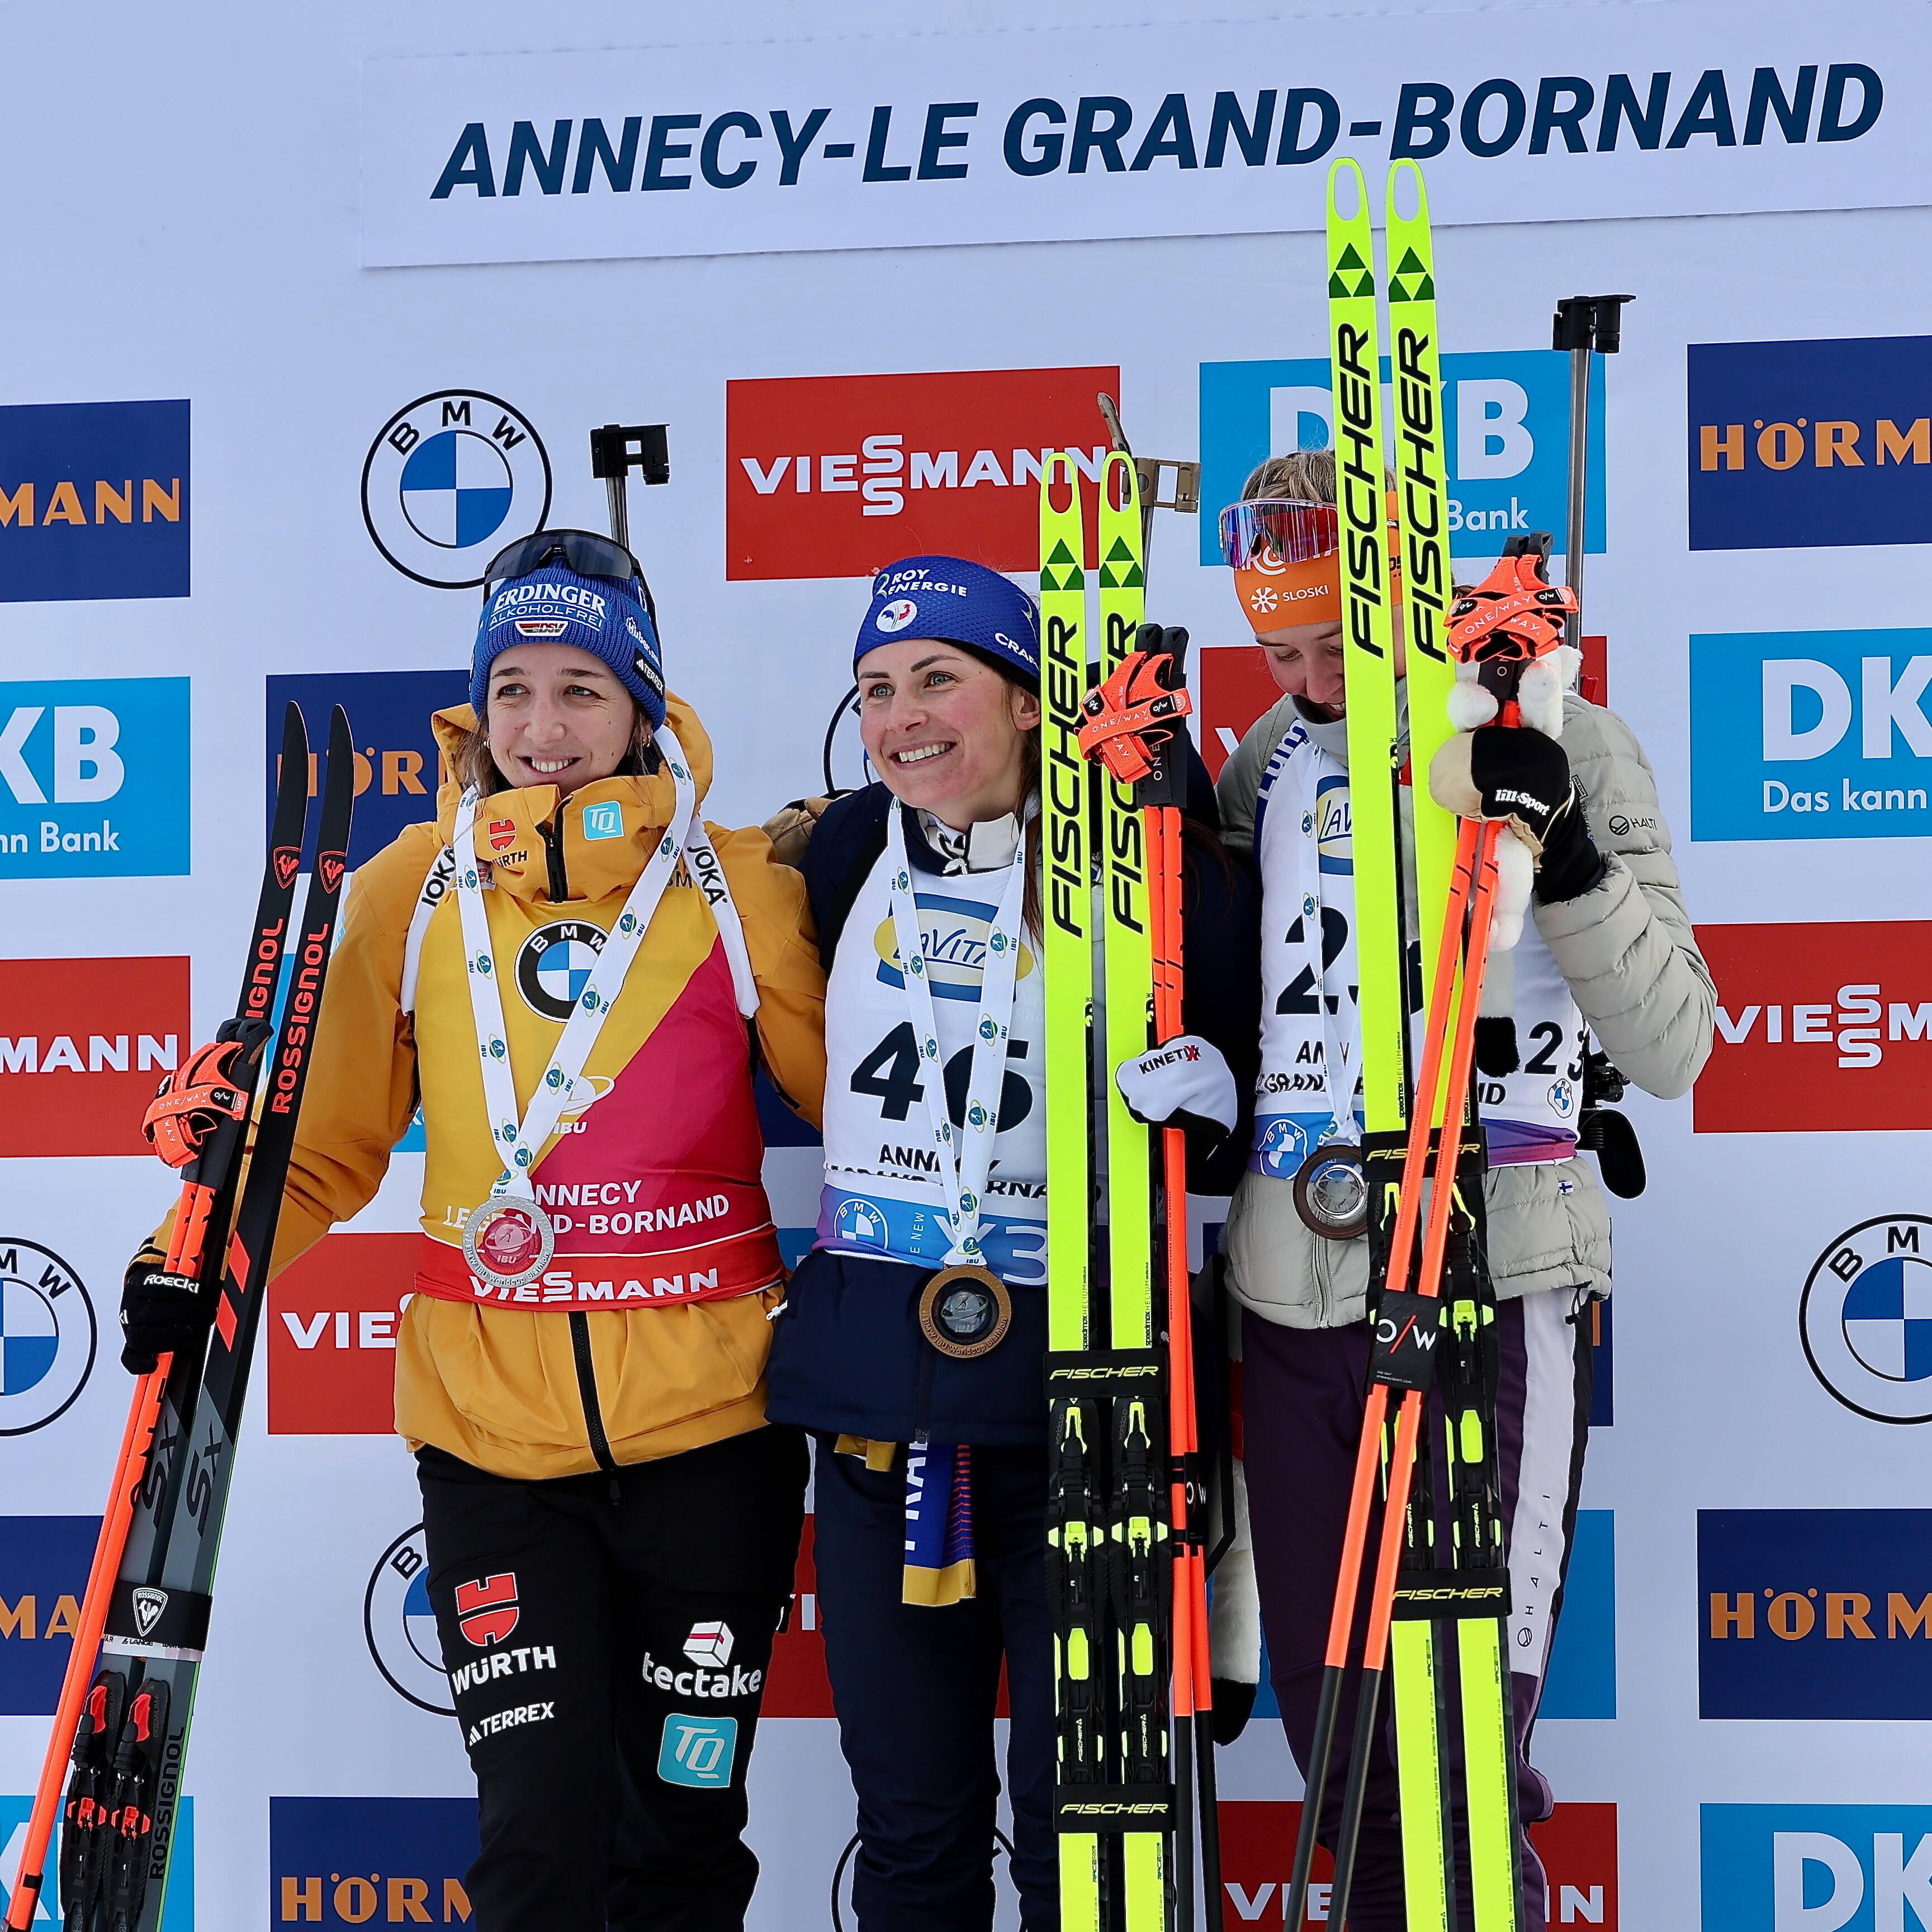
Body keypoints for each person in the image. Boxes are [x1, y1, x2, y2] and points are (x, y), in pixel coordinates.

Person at [119, 530, 826, 1932]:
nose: (545, 729)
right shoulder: (409, 888)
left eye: (580, 690)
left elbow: (866, 1119)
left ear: (642, 701)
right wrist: (183, 1257)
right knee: (534, 1843)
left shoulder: (738, 888)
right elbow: (318, 1147)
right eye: (513, 690)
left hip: (717, 1429)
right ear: (475, 710)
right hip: (492, 1439)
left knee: (684, 1842)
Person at [1212, 454, 1714, 1928]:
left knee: (1465, 1735)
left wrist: (1556, 853)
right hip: (1301, 1276)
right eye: (1277, 651)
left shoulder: (1564, 728)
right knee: (1342, 1742)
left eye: (1331, 648)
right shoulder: (1271, 760)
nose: (1305, 681)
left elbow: (1676, 1042)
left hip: (1497, 1262)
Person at [760, 556, 1259, 1932]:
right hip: (881, 1428)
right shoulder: (834, 853)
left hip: (1080, 1414)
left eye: (939, 679)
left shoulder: (1148, 859)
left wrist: (1211, 1097)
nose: (903, 716)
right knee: (914, 1834)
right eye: (875, 688)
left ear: (1032, 704)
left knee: (1080, 1837)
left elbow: (1248, 1088)